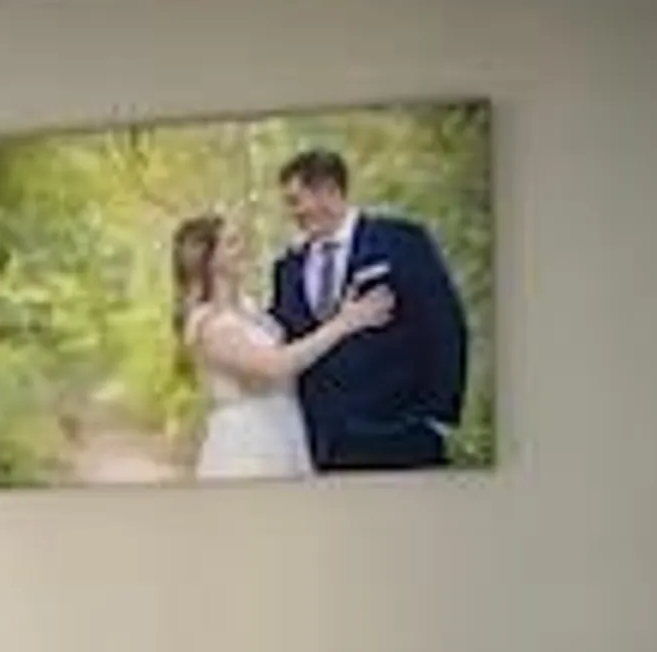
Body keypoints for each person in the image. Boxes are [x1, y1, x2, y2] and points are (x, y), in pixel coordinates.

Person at [267, 147, 469, 469]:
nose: (293, 213)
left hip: (401, 432)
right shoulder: (287, 267)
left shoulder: (401, 241)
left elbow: (444, 325)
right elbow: (288, 343)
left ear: (329, 191)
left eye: (296, 200)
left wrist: (439, 415)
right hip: (324, 444)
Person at [172, 211, 388, 480]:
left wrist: (341, 315)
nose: (243, 250)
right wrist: (343, 324)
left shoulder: (252, 310)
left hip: (284, 431)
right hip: (246, 443)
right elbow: (274, 367)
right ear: (209, 260)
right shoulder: (209, 324)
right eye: (232, 243)